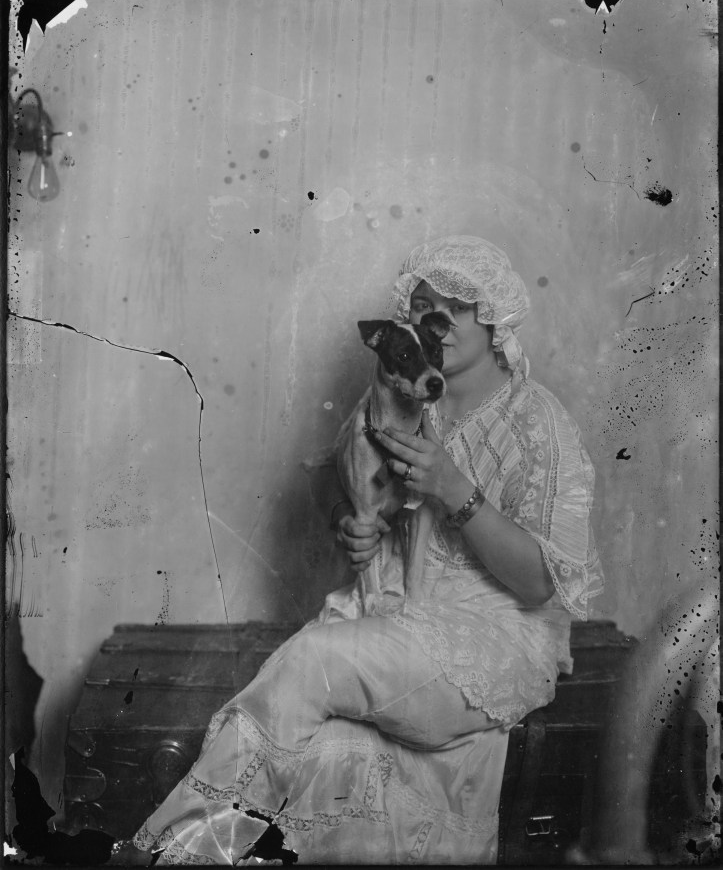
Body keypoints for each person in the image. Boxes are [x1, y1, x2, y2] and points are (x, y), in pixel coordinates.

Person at [129, 235, 603, 865]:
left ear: (493, 319)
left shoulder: (536, 421)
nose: (435, 325)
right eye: (425, 310)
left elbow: (542, 583)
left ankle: (169, 854)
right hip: (387, 622)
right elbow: (338, 479)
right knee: (323, 755)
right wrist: (351, 525)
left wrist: (455, 490)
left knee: (309, 663)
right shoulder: (403, 397)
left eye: (453, 310)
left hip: (485, 642)